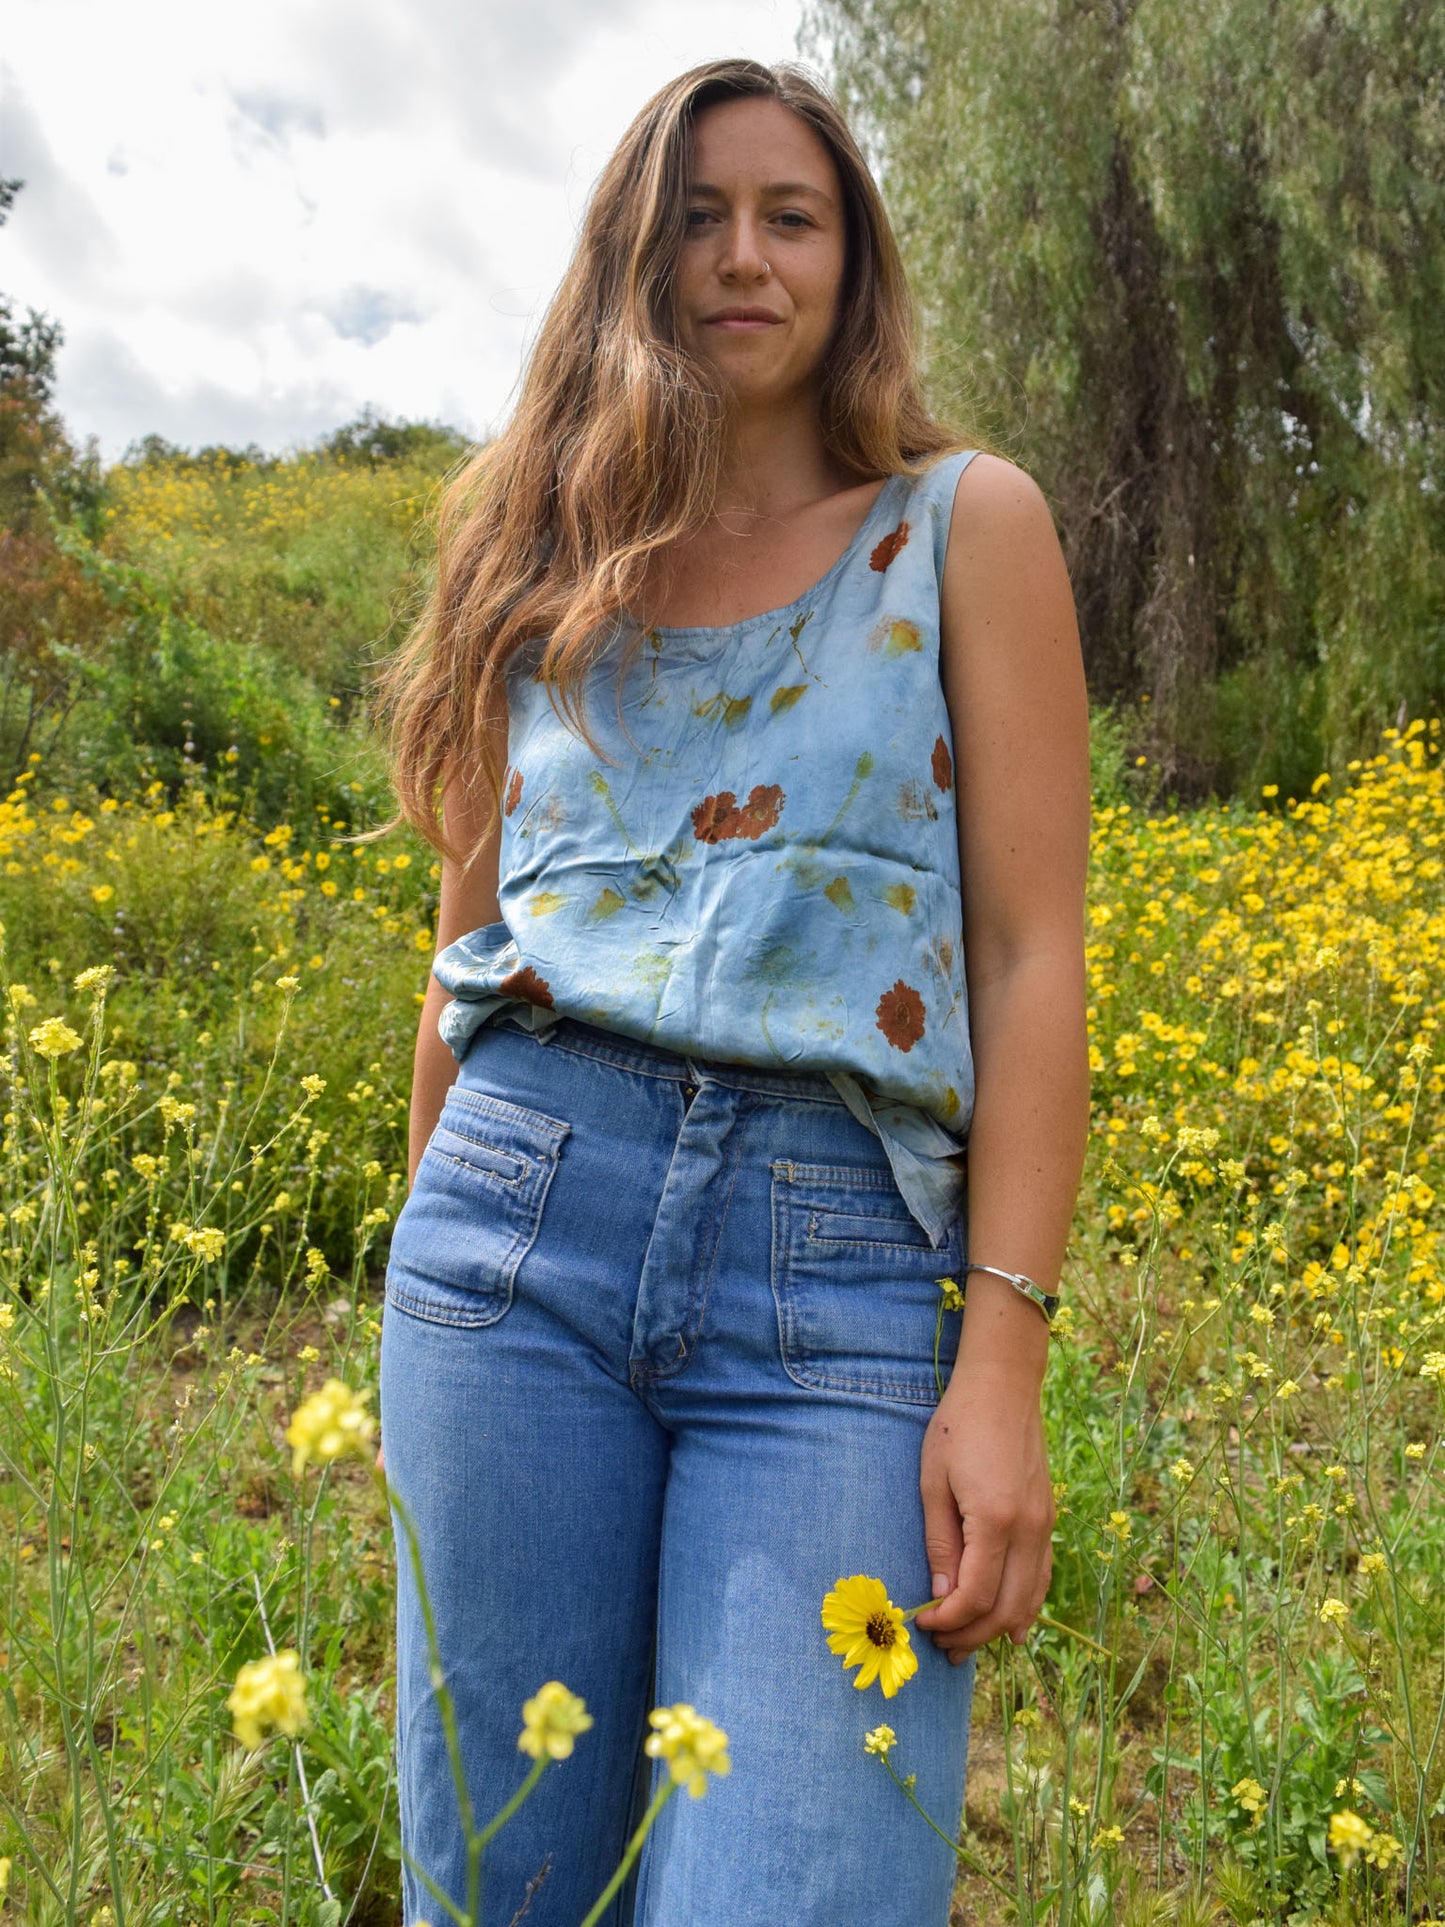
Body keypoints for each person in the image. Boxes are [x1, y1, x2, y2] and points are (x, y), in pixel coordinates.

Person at [373, 55, 1089, 1927]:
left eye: (791, 217)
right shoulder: (537, 556)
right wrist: (420, 1261)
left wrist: (998, 1363)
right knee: (511, 1891)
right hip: (509, 1243)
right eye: (695, 218)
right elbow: (468, 950)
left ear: (852, 263)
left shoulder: (961, 527)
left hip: (835, 1270)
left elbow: (1029, 959)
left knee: (793, 1887)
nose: (741, 258)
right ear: (633, 255)